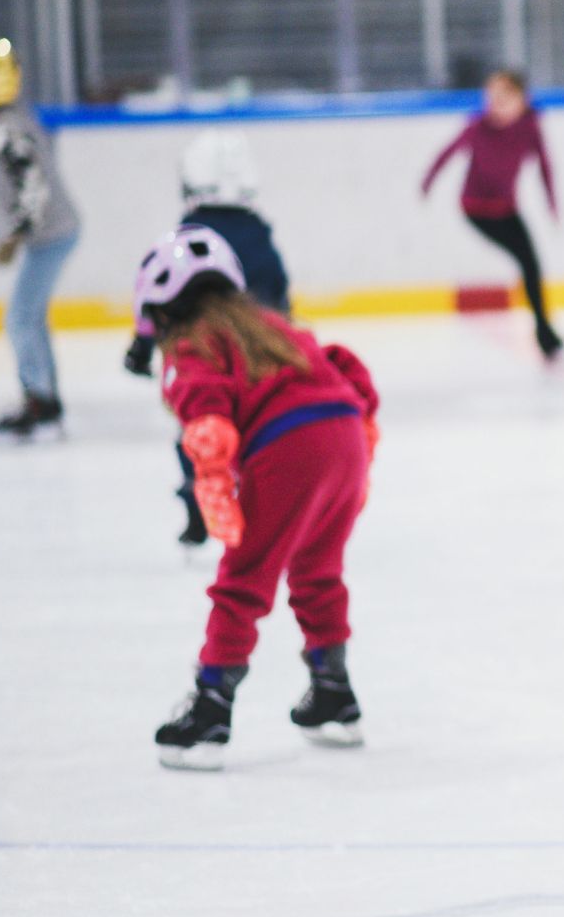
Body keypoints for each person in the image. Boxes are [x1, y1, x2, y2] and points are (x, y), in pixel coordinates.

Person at [135, 225, 380, 771]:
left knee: (244, 577)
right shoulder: (272, 328)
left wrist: (213, 483)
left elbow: (206, 410)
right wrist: (364, 432)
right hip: (345, 434)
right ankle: (333, 692)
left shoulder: (194, 345)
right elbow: (343, 363)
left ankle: (211, 708)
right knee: (318, 569)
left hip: (289, 447)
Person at [124, 130, 294, 545]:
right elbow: (279, 300)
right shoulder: (259, 237)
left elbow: (159, 295)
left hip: (202, 356)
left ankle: (198, 501)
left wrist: (141, 347)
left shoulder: (189, 239)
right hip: (257, 361)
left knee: (198, 426)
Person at [0, 38, 82, 438]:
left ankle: (40, 399)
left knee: (20, 318)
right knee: (29, 316)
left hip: (51, 236)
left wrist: (17, 234)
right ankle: (44, 395)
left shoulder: (5, 130)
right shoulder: (6, 123)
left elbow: (33, 186)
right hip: (52, 234)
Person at [421, 68, 564, 359]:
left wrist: (551, 202)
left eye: (504, 96)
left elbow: (544, 165)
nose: (495, 102)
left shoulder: (530, 127)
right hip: (475, 209)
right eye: (492, 96)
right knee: (527, 261)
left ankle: (544, 331)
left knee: (531, 265)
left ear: (522, 100)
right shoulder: (478, 126)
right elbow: (447, 152)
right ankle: (545, 333)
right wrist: (428, 181)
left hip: (507, 210)